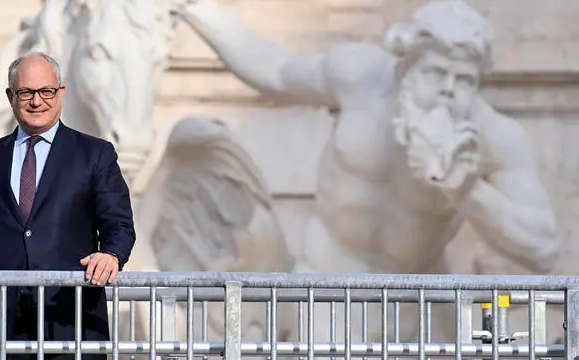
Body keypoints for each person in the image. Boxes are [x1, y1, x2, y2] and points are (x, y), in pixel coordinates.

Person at [176, 0, 560, 341]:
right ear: (406, 64)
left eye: (463, 81)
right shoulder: (359, 78)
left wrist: (468, 191)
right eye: (436, 73)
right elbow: (274, 72)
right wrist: (197, 10)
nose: (448, 90)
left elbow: (543, 247)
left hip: (420, 300)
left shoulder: (493, 136)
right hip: (327, 285)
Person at [0, 51, 136, 360]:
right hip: (0, 335)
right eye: (26, 92)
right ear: (10, 96)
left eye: (46, 91)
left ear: (60, 92)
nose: (37, 101)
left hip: (73, 327)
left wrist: (112, 254)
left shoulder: (96, 155)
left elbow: (119, 225)